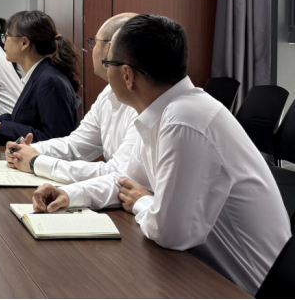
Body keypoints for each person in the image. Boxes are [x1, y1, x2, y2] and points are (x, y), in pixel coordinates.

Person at [31, 15, 291, 296]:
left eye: (108, 64)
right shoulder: (165, 112)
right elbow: (124, 180)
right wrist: (69, 194)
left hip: (246, 288)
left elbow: (170, 233)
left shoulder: (184, 120)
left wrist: (143, 201)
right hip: (204, 270)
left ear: (127, 75)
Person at [4, 13, 139, 182]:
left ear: (109, 49)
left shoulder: (142, 101)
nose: (92, 49)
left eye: (94, 42)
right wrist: (27, 150)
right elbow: (77, 144)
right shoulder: (108, 92)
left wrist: (36, 162)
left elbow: (118, 173)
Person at [0, 11, 79, 144]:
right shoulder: (39, 73)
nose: (4, 43)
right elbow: (21, 119)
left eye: (7, 36)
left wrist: (4, 128)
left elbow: (55, 138)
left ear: (24, 42)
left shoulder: (50, 80)